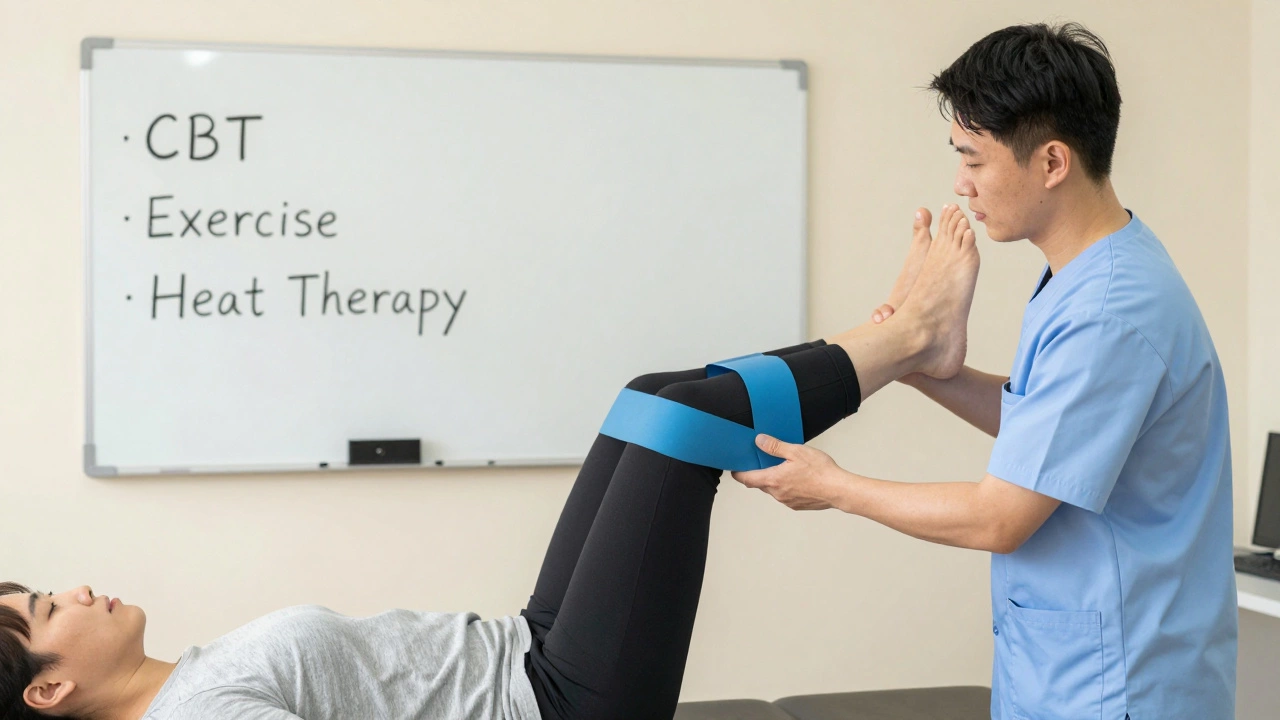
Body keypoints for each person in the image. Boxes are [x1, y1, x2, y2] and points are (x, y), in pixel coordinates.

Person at [0, 212, 980, 719]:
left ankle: (903, 340)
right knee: (675, 421)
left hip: (528, 650)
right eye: (51, 607)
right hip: (560, 702)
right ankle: (906, 338)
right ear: (47, 691)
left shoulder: (195, 682)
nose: (77, 588)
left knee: (645, 396)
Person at [735, 22, 1237, 720]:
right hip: (1068, 673)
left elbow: (1000, 518)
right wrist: (927, 367)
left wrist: (836, 486)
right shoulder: (1090, 275)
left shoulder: (1111, 312)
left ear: (1052, 162)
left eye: (974, 160)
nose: (960, 184)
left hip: (1118, 689)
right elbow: (1057, 434)